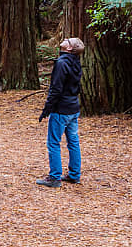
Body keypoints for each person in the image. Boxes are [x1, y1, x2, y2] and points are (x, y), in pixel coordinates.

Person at [36, 37, 84, 187]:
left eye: (68, 40)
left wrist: (47, 110)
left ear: (69, 49)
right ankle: (74, 175)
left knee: (53, 143)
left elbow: (56, 89)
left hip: (62, 109)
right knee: (73, 142)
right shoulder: (75, 62)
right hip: (73, 108)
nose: (64, 39)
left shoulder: (62, 63)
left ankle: (55, 177)